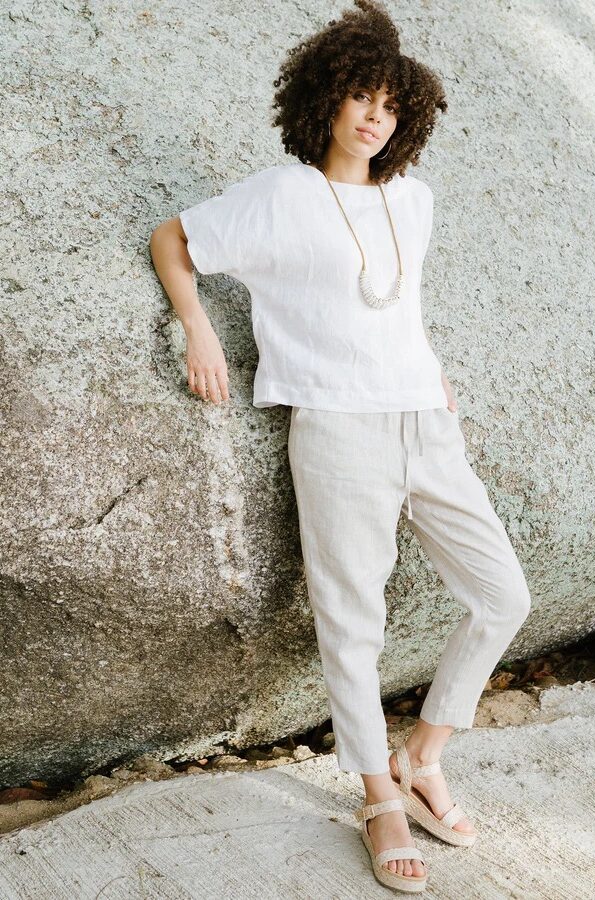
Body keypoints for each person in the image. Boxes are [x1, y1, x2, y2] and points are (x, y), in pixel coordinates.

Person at [150, 1, 531, 892]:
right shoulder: (279, 196)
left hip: (424, 424)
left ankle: (424, 754)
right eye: (360, 97)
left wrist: (431, 380)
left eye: (391, 105)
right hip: (336, 429)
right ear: (323, 99)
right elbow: (173, 239)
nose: (373, 117)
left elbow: (402, 308)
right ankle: (377, 798)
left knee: (502, 594)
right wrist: (199, 330)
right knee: (352, 625)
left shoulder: (413, 199)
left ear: (409, 117)